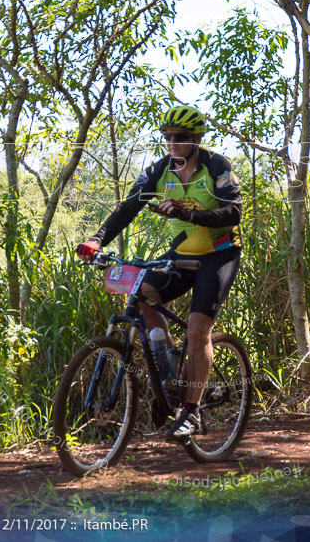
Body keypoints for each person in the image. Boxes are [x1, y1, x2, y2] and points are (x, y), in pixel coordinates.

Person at [76, 105, 241, 444]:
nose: (172, 143)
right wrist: (97, 239)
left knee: (198, 331)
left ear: (196, 139)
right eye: (167, 137)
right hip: (182, 255)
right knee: (141, 294)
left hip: (219, 255)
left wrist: (189, 213)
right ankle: (172, 370)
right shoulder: (159, 170)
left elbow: (233, 212)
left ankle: (190, 410)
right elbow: (128, 207)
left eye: (179, 138)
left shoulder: (217, 165)